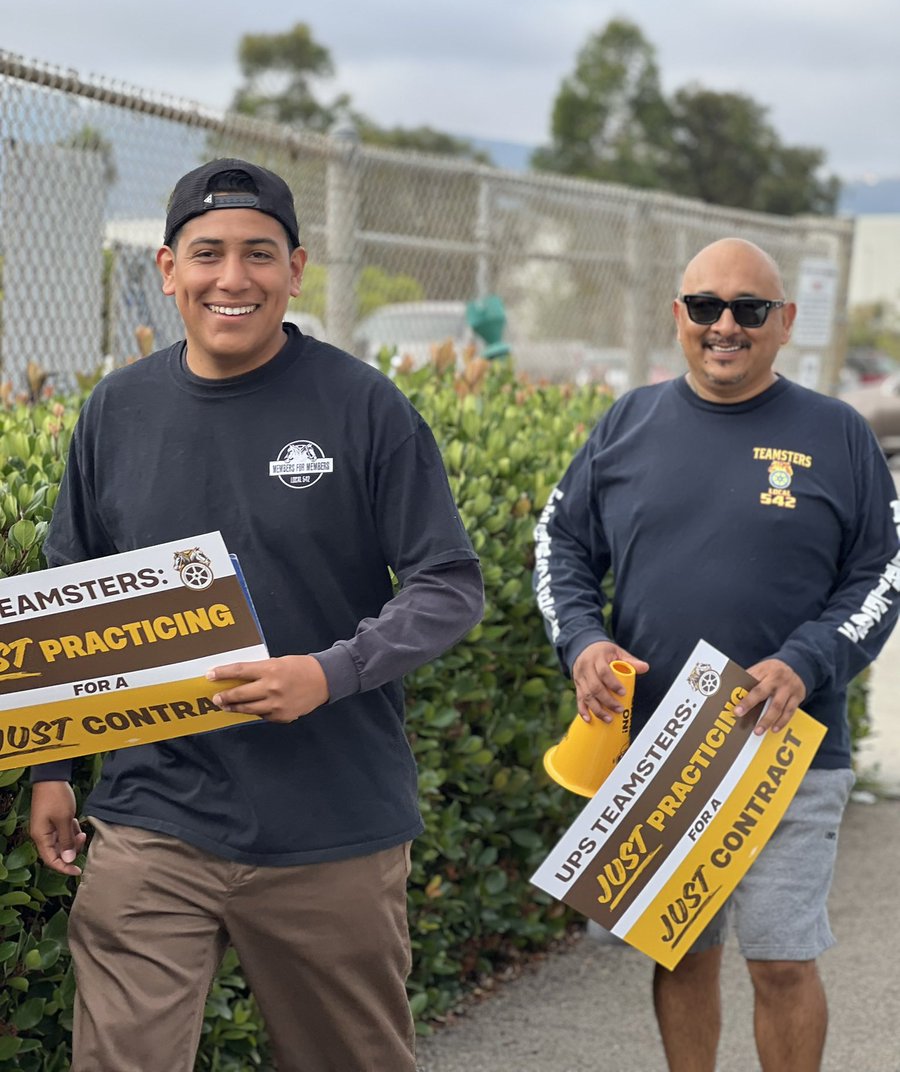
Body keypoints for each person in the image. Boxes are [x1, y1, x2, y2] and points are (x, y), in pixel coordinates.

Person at [29, 157, 484, 1072]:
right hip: (154, 817)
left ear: (296, 268)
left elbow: (448, 584)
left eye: (258, 254)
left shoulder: (364, 407)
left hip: (332, 826)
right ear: (168, 270)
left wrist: (329, 671)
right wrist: (50, 765)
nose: (232, 279)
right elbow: (67, 586)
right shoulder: (118, 410)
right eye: (207, 254)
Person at [533, 237, 900, 1072]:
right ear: (679, 317)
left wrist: (807, 660)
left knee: (780, 958)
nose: (725, 325)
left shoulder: (837, 432)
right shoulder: (626, 423)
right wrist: (584, 641)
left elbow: (884, 570)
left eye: (749, 310)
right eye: (705, 307)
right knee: (681, 951)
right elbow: (560, 544)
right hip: (663, 750)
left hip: (788, 748)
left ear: (785, 323)